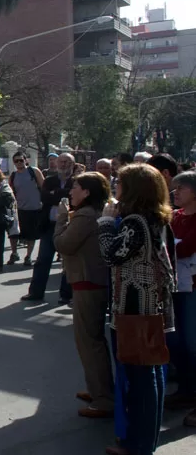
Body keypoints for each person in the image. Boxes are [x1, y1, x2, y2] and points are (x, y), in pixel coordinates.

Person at [97, 163, 175, 455]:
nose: (115, 185)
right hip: (150, 305)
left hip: (135, 308)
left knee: (141, 380)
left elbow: (110, 254)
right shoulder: (156, 218)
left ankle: (139, 446)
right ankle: (143, 441)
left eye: (120, 182)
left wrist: (105, 222)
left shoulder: (135, 221)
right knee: (150, 375)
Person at [53, 172, 115, 419]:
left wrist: (60, 219)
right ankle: (99, 390)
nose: (71, 192)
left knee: (89, 342)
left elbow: (64, 244)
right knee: (92, 340)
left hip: (88, 283)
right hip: (92, 282)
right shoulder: (93, 213)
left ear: (87, 192)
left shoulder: (85, 215)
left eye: (75, 187)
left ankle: (103, 398)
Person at [22, 153, 75, 304]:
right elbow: (44, 198)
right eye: (61, 162)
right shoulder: (50, 180)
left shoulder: (77, 181)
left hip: (69, 226)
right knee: (43, 260)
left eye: (67, 162)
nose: (63, 165)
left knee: (67, 262)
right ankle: (36, 292)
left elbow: (72, 200)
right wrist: (61, 195)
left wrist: (56, 194)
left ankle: (66, 295)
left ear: (73, 164)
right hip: (49, 225)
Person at [168, 171, 196, 426]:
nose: (175, 192)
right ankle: (186, 391)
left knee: (192, 344)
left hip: (193, 289)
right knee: (176, 342)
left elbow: (183, 248)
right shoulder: (174, 217)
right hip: (174, 286)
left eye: (181, 189)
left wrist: (169, 246)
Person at [9, 152, 45, 266]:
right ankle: (14, 253)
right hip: (19, 209)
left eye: (21, 160)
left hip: (34, 208)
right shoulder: (13, 175)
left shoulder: (33, 171)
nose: (19, 163)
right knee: (14, 233)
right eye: (16, 161)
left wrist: (44, 202)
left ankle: (28, 256)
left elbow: (43, 187)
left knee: (31, 234)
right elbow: (10, 192)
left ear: (25, 160)